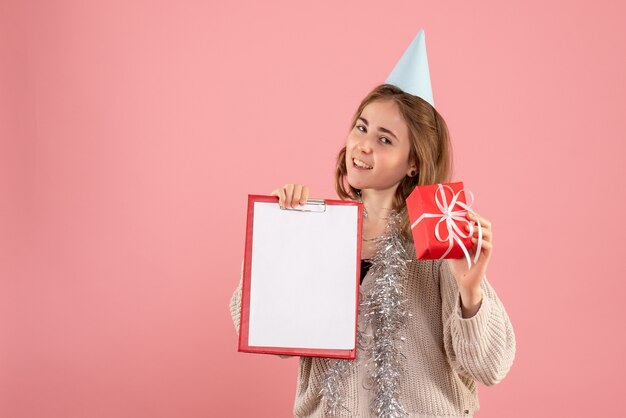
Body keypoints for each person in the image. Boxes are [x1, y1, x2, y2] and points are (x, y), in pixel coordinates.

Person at [229, 31, 515, 418]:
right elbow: (260, 328)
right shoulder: (319, 230)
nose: (363, 146)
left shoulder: (437, 239)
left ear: (414, 162)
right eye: (361, 128)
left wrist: (471, 291)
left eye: (385, 140)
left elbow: (490, 367)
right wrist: (282, 234)